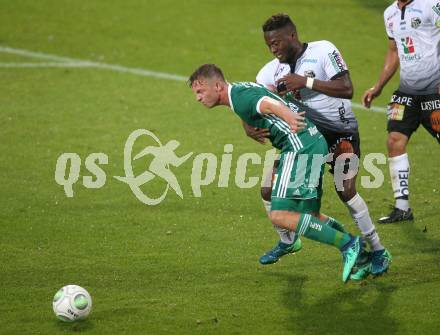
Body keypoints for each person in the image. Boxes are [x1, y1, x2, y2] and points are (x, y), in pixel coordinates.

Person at [188, 63, 364, 283]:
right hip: (307, 144)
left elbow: (268, 103)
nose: (198, 98)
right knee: (306, 213)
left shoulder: (240, 99)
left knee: (281, 215)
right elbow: (263, 95)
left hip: (301, 149)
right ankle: (360, 253)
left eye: (200, 91)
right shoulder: (237, 92)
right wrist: (249, 126)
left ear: (217, 86)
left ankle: (349, 244)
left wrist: (289, 117)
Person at [246, 14, 390, 279]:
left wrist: (306, 82)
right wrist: (249, 126)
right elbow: (254, 103)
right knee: (268, 188)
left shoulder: (323, 50)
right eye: (269, 45)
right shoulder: (270, 72)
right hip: (305, 143)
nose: (273, 49)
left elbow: (347, 88)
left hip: (340, 135)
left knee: (346, 191)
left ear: (292, 36)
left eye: (277, 42)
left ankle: (378, 250)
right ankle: (289, 242)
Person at [362, 0, 440, 224]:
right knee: (394, 140)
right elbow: (393, 51)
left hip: (434, 91)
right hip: (407, 92)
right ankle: (402, 208)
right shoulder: (390, 13)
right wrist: (378, 87)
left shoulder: (431, 5)